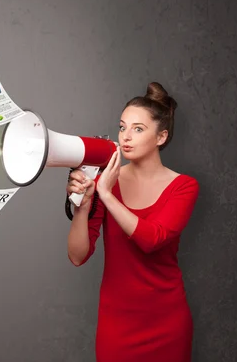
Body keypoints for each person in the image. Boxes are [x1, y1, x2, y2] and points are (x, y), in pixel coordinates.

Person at [66, 82, 200, 362]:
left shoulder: (184, 187)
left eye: (138, 129)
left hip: (167, 324)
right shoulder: (105, 183)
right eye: (122, 127)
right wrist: (83, 205)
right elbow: (77, 256)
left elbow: (152, 239)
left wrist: (105, 192)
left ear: (161, 137)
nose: (126, 137)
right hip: (117, 326)